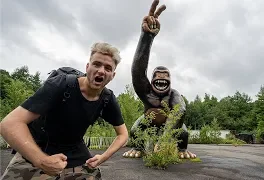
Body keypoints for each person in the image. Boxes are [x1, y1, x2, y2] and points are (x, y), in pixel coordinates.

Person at [0, 42, 129, 179]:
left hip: (74, 151)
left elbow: (123, 135)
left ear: (112, 75)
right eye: (96, 64)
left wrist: (103, 157)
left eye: (108, 68)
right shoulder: (60, 85)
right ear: (87, 67)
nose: (101, 71)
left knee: (93, 175)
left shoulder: (107, 99)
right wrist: (41, 161)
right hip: (38, 147)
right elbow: (9, 124)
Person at [122, 0, 196, 159]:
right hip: (148, 122)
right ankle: (138, 147)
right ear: (152, 79)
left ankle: (182, 149)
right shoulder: (147, 92)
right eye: (157, 75)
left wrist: (164, 139)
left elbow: (180, 110)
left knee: (182, 131)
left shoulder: (174, 95)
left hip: (169, 127)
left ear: (170, 80)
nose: (161, 77)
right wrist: (147, 37)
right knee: (136, 127)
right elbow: (138, 71)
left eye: (165, 76)